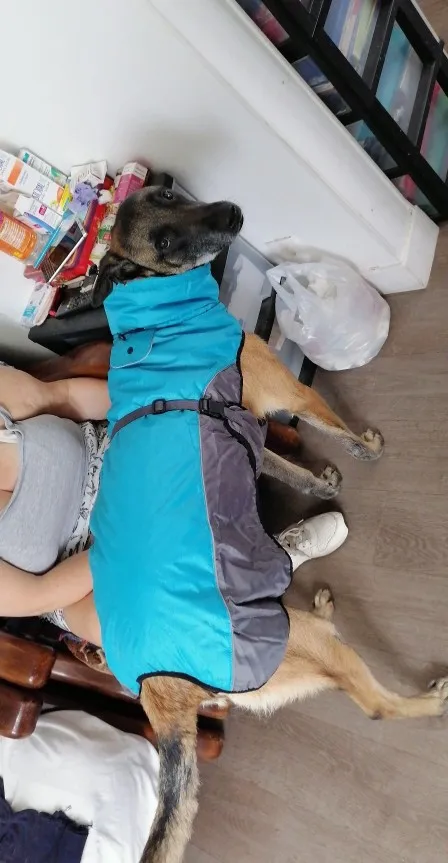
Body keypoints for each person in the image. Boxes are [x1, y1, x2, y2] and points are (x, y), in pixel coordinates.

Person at [0, 362, 348, 648]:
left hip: (109, 458)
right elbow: (40, 594)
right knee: (123, 628)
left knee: (184, 416)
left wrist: (150, 406)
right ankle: (270, 561)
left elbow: (63, 395)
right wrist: (123, 539)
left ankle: (247, 535)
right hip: (79, 566)